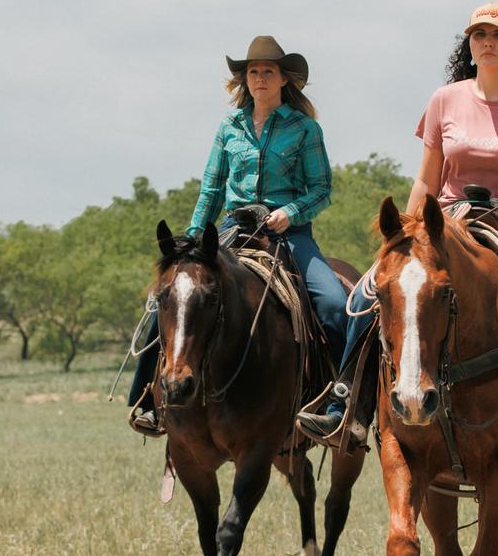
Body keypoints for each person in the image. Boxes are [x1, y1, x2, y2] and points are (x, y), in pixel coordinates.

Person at [298, 2, 498, 459]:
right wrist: (402, 239)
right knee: (370, 290)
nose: (487, 43)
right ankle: (346, 404)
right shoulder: (444, 100)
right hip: (444, 226)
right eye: (478, 35)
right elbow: (426, 180)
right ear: (469, 46)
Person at [128, 36, 349, 436]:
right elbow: (211, 190)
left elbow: (321, 189)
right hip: (233, 229)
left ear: (284, 79)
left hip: (289, 232)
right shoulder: (229, 127)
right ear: (244, 80)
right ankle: (148, 398)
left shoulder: (304, 129)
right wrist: (192, 244)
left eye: (268, 71)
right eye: (253, 72)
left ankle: (339, 401)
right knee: (172, 296)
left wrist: (291, 212)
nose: (260, 78)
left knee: (334, 304)